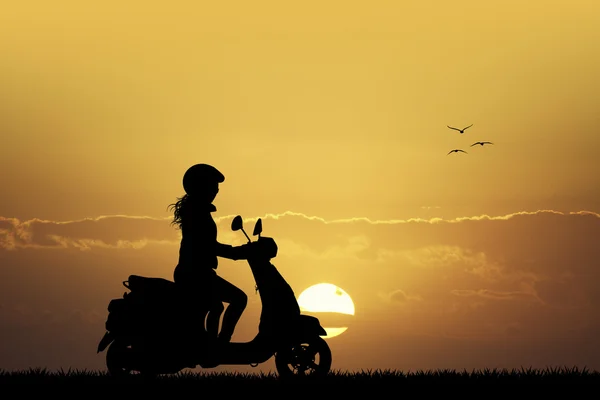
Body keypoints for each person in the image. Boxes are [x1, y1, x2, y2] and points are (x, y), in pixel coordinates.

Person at [168, 163, 252, 344]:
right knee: (238, 299)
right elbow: (208, 246)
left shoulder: (196, 210)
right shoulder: (197, 213)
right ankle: (218, 345)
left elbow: (208, 245)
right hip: (195, 274)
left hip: (196, 272)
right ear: (201, 186)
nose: (216, 191)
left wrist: (239, 252)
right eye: (213, 186)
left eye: (217, 187)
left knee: (217, 306)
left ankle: (213, 345)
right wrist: (239, 252)